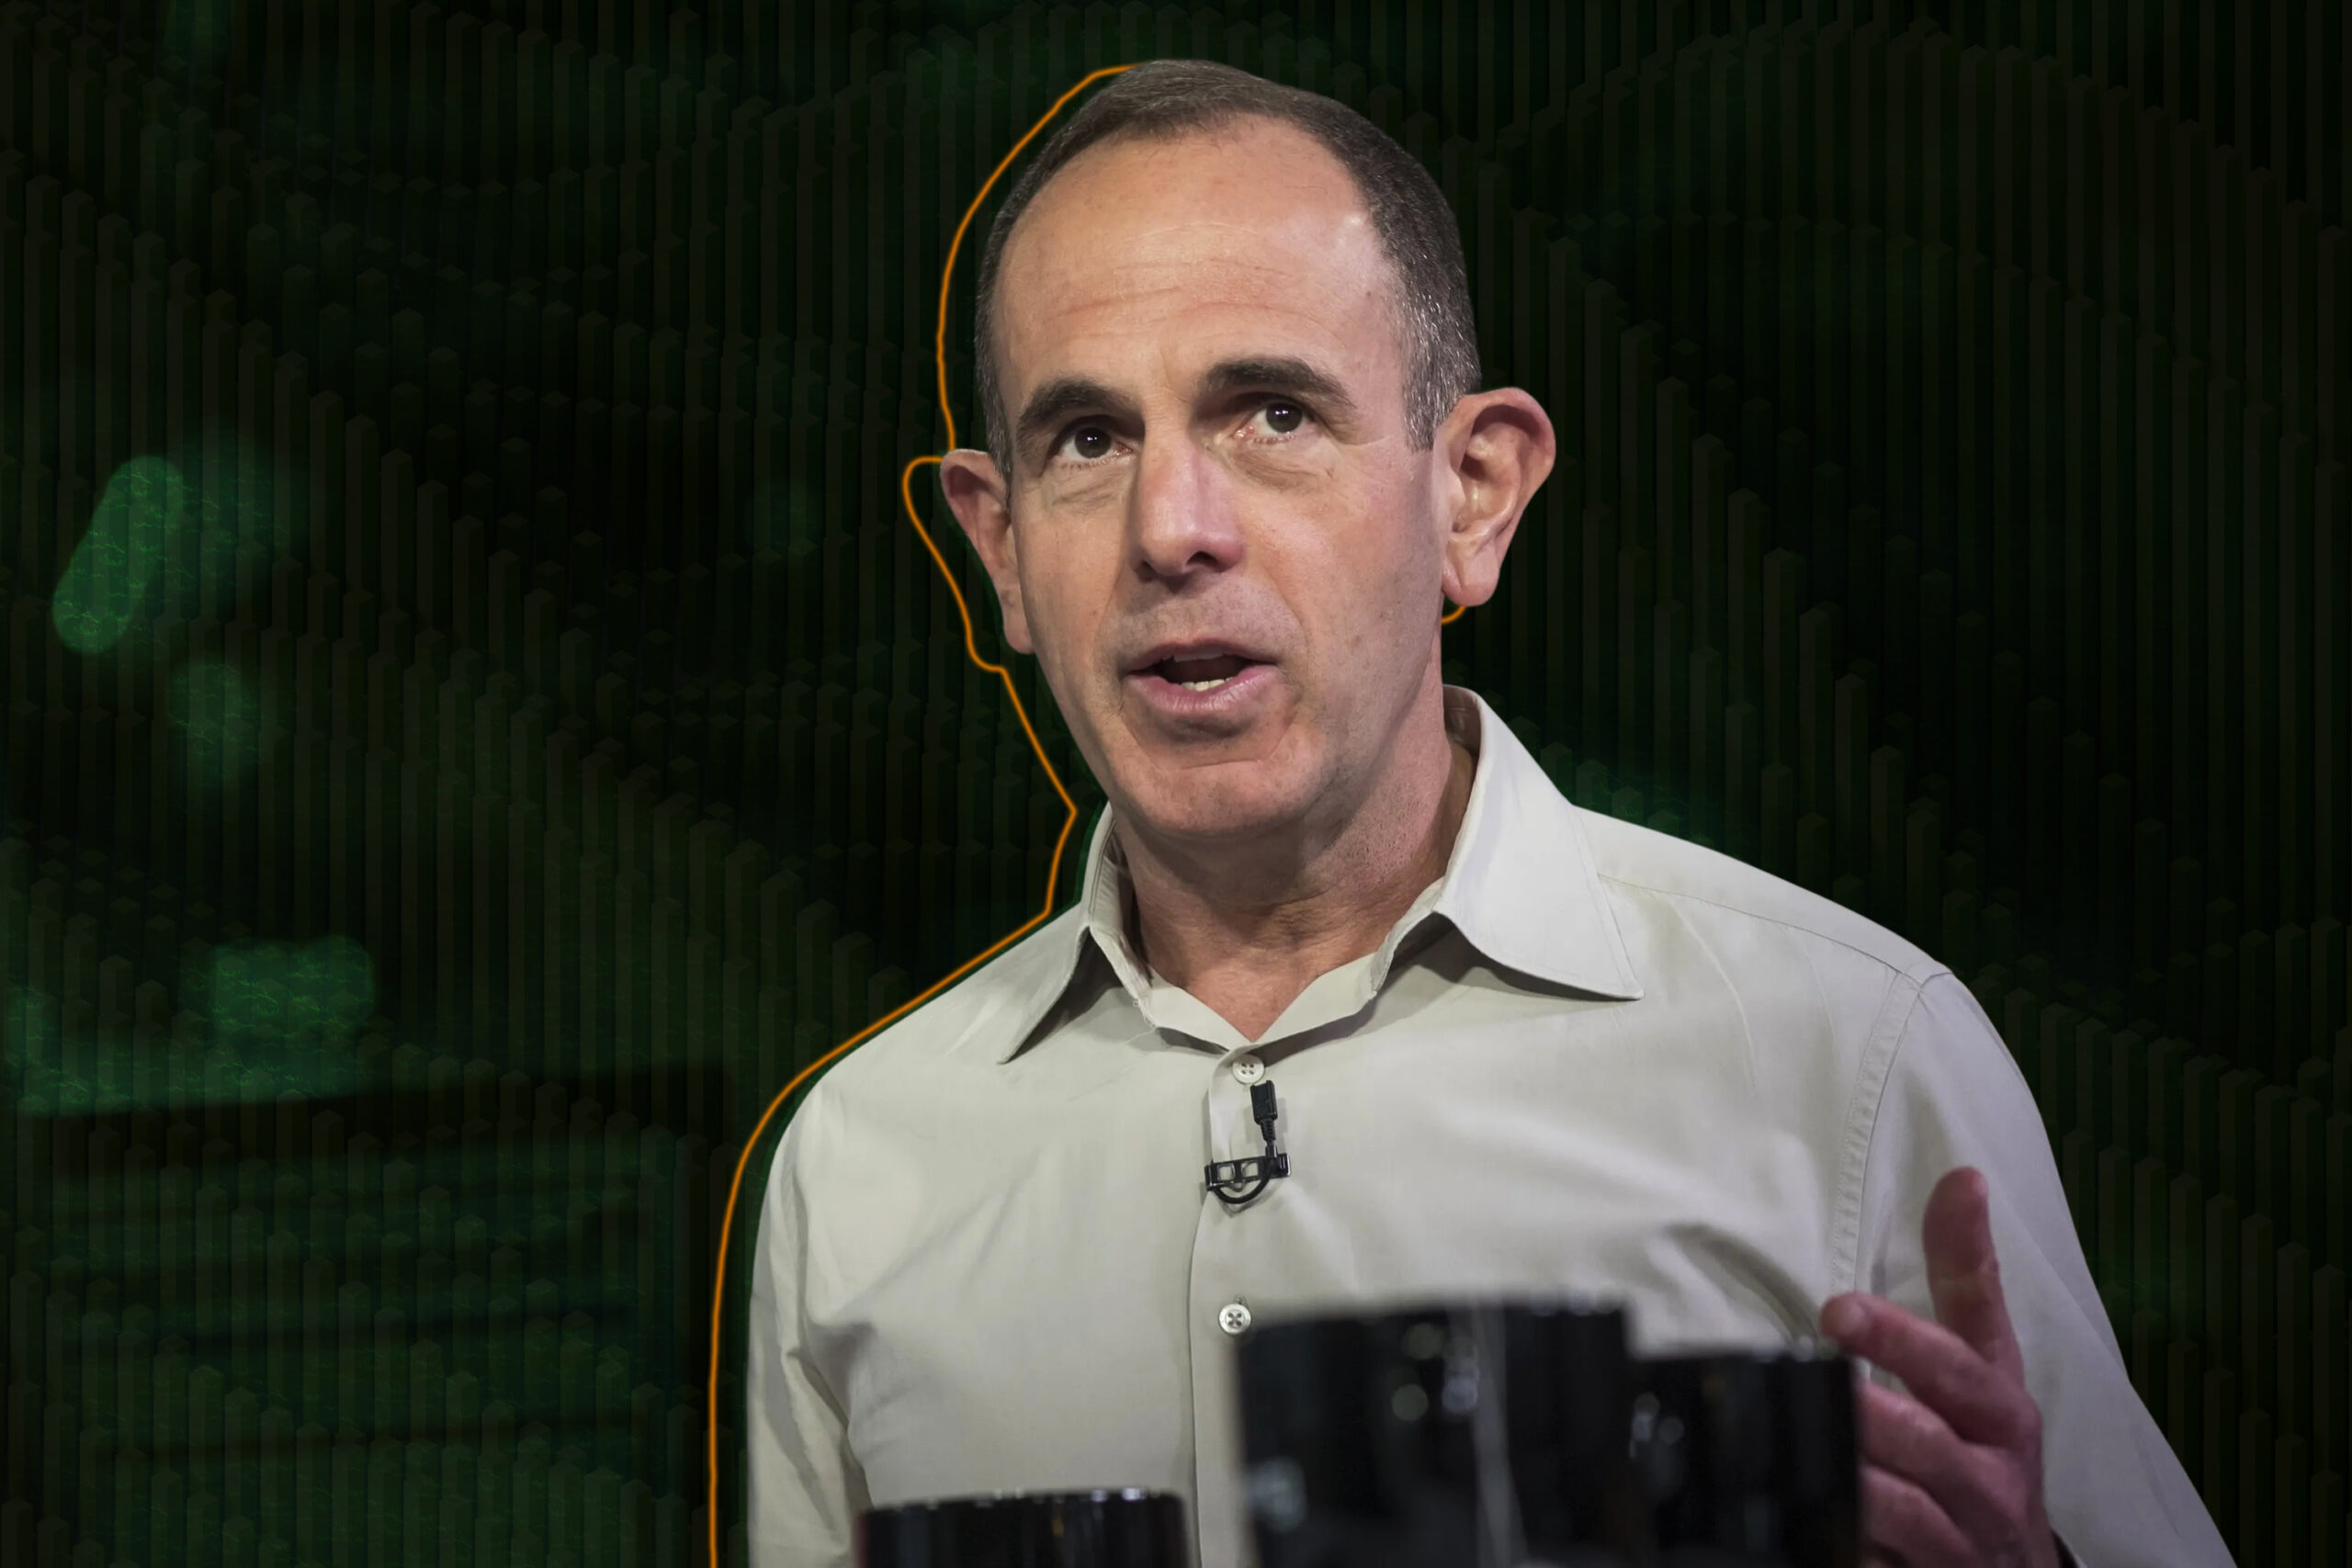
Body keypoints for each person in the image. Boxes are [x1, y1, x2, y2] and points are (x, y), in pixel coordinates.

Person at [745, 58, 2229, 1568]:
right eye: (1087, 439)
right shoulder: (860, 1165)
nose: (1171, 530)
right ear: (998, 551)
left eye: (1272, 414)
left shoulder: (1841, 1057)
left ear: (1474, 494)